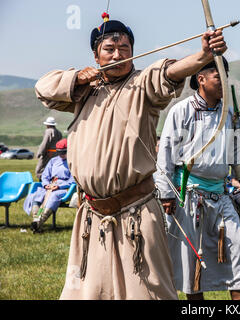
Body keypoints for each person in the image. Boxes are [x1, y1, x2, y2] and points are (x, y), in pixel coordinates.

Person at [34, 14, 228, 300]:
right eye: (109, 50)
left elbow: (169, 73)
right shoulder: (84, 92)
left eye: (124, 49)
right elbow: (43, 89)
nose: (118, 55)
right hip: (92, 216)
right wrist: (77, 78)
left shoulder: (142, 85)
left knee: (146, 292)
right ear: (96, 56)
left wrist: (203, 55)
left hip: (135, 213)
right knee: (90, 293)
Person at [155, 57, 240, 300]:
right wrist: (167, 194)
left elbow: (237, 152)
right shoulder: (181, 111)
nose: (224, 82)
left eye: (225, 77)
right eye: (218, 76)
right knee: (192, 266)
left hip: (222, 197)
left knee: (238, 259)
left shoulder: (229, 113)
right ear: (201, 79)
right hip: (189, 198)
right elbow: (165, 154)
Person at [24, 138, 75, 233]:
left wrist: (59, 186)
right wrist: (46, 185)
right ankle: (36, 220)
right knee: (37, 194)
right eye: (59, 152)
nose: (61, 155)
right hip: (50, 185)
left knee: (54, 196)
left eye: (63, 152)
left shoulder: (73, 162)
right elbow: (45, 175)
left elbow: (73, 180)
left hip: (64, 189)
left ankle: (39, 222)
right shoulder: (53, 161)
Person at [35, 116, 63, 181]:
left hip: (48, 153)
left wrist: (40, 152)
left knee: (40, 169)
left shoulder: (48, 131)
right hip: (56, 153)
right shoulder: (58, 132)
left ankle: (43, 182)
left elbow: (45, 143)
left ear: (47, 125)